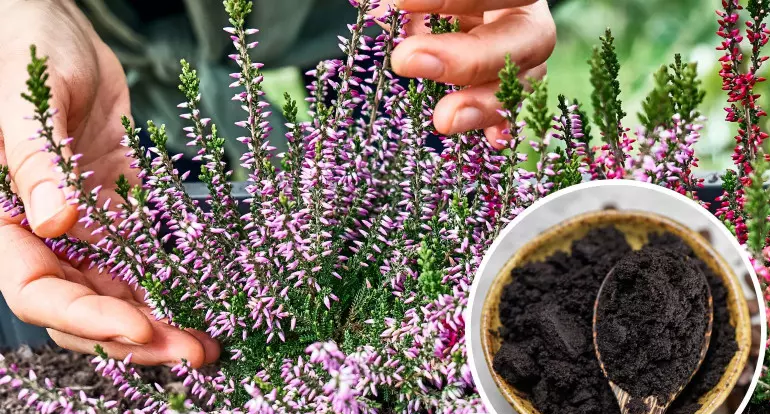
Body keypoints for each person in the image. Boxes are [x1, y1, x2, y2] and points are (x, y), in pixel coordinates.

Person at [0, 0, 557, 367]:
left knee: (431, 186)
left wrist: (498, 13)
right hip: (109, 83)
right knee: (140, 288)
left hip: (378, 22)